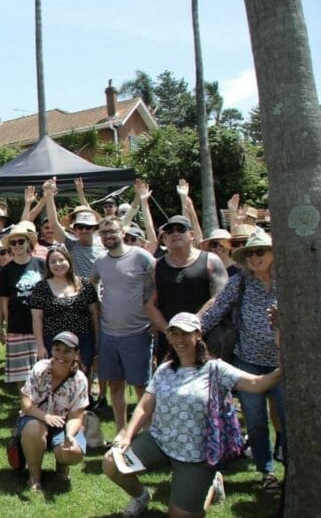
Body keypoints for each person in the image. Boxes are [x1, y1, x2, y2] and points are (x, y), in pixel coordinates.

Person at [103, 313, 284, 517]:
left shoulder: (216, 369)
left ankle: (211, 485)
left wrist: (281, 366)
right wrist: (126, 437)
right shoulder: (164, 370)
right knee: (111, 463)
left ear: (198, 335)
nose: (179, 340)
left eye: (185, 334)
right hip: (160, 442)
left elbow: (257, 383)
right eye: (174, 334)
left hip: (196, 455)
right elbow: (144, 406)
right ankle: (141, 496)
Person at [199, 230, 284, 492]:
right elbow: (215, 311)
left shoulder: (290, 281)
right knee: (256, 420)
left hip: (283, 364)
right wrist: (188, 335)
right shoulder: (240, 283)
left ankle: (294, 469)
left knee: (287, 417)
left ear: (273, 254)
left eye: (260, 251)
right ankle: (266, 471)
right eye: (250, 253)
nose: (255, 257)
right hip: (247, 362)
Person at [91, 217, 156, 441]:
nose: (108, 236)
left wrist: (156, 320)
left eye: (112, 231)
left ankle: (147, 431)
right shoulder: (100, 261)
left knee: (141, 385)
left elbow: (158, 285)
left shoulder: (141, 257)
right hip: (109, 333)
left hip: (138, 332)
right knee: (115, 384)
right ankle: (120, 430)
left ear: (122, 231)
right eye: (103, 233)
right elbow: (93, 283)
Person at [145, 215, 228, 363]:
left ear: (191, 235)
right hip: (170, 340)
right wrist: (172, 333)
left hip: (205, 336)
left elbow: (220, 298)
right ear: (164, 238)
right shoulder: (156, 266)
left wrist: (192, 326)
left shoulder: (211, 260)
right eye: (169, 231)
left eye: (181, 229)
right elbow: (149, 304)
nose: (175, 233)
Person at [17, 332, 89, 491]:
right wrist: (45, 417)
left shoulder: (80, 379)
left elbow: (77, 415)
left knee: (75, 452)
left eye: (67, 351)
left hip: (63, 424)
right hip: (34, 418)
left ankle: (62, 464)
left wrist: (70, 434)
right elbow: (25, 403)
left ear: (76, 354)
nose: (61, 355)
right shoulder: (40, 368)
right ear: (52, 350)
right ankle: (34, 477)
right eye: (57, 349)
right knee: (34, 428)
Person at [29, 245, 99, 369]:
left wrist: (98, 339)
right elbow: (36, 318)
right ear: (48, 265)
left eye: (61, 260)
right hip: (54, 341)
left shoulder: (85, 285)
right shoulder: (41, 287)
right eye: (53, 261)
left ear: (69, 261)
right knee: (57, 378)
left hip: (83, 340)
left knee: (82, 376)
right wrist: (40, 346)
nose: (58, 264)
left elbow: (94, 314)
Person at [0, 223, 47, 385]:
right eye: (13, 243)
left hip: (42, 325)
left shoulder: (41, 264)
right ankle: (25, 407)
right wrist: (4, 324)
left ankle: (42, 406)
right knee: (21, 374)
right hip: (17, 326)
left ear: (29, 243)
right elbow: (4, 301)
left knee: (43, 370)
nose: (17, 245)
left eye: (21, 241)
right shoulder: (6, 271)